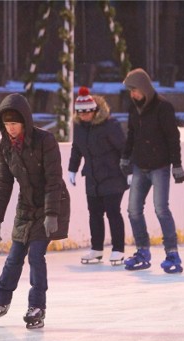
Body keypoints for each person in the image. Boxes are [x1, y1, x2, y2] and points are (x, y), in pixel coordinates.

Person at [0, 93, 70, 329]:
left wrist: (51, 214)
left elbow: (53, 180)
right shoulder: (4, 146)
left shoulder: (45, 140)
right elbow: (4, 183)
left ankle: (37, 306)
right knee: (14, 256)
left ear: (25, 122)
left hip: (52, 201)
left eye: (14, 124)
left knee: (36, 256)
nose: (10, 129)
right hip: (26, 206)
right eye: (6, 124)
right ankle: (0, 302)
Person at [120, 68, 184, 273]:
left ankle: (172, 253)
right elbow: (131, 135)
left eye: (135, 91)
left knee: (161, 209)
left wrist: (177, 165)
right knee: (133, 210)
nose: (132, 95)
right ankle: (142, 250)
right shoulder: (133, 109)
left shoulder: (163, 107)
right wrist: (125, 156)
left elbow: (172, 137)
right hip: (140, 165)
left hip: (159, 166)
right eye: (130, 91)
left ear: (144, 89)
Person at [68, 86, 128, 266]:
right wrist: (73, 169)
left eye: (87, 112)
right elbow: (76, 149)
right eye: (80, 113)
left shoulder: (110, 125)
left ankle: (118, 249)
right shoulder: (79, 128)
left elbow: (124, 149)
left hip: (113, 176)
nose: (84, 116)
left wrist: (130, 171)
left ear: (95, 110)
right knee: (94, 213)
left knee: (112, 212)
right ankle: (97, 249)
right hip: (93, 178)